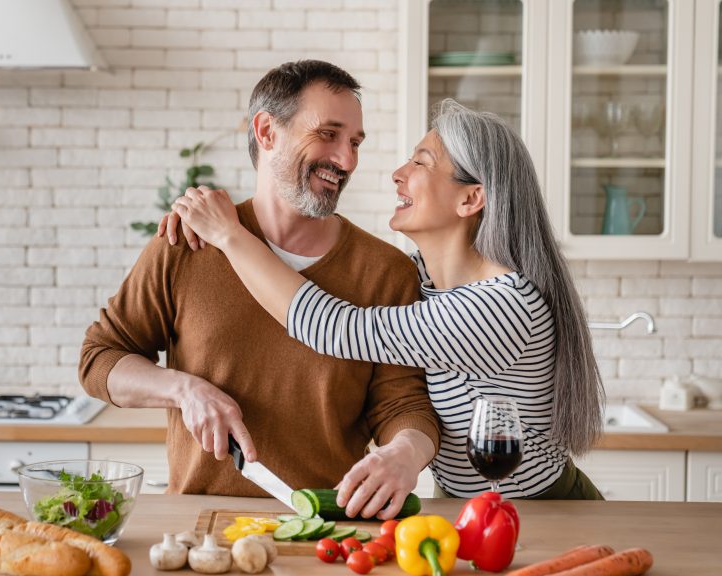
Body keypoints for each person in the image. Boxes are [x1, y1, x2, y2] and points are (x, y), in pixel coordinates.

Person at [168, 99, 605, 500]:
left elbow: (335, 327)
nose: (399, 173)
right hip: (467, 504)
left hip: (544, 510)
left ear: (471, 198)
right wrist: (203, 220)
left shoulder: (501, 306)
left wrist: (228, 234)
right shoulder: (421, 278)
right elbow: (348, 285)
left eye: (421, 162)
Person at [79, 60, 441, 519]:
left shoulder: (385, 271)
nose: (346, 160)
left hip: (325, 534)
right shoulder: (186, 244)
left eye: (354, 143)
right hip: (200, 528)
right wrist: (183, 389)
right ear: (267, 132)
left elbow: (404, 403)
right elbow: (99, 359)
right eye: (328, 134)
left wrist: (406, 452)